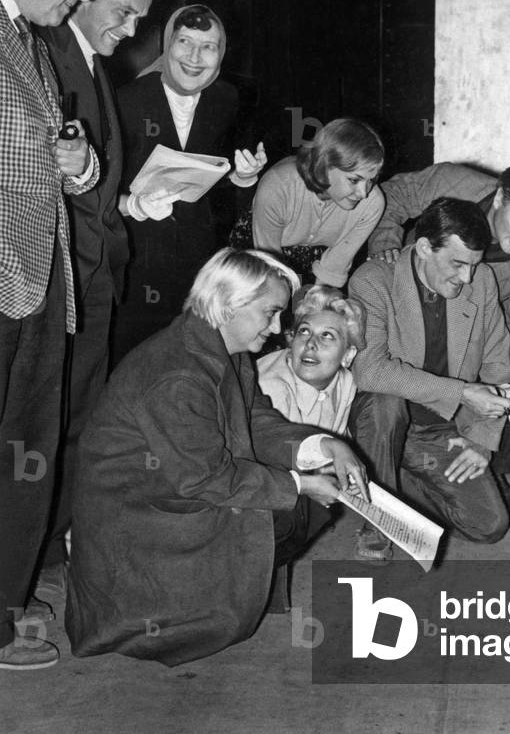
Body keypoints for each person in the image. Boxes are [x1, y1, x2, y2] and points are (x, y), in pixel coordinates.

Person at [65, 248, 368, 667]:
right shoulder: (179, 375)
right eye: (271, 313)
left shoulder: (219, 349)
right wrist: (300, 483)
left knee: (294, 505)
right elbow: (206, 480)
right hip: (144, 519)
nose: (279, 327)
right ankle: (183, 608)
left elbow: (256, 420)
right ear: (229, 305)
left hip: (165, 498)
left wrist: (322, 444)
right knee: (288, 509)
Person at [0, 0, 99, 670]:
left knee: (22, 451)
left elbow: (41, 148)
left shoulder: (27, 41)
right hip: (5, 275)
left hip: (35, 281)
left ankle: (5, 599)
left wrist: (80, 162)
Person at [38, 0, 153, 586]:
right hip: (64, 277)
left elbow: (90, 179)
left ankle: (54, 547)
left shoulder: (88, 63)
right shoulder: (49, 59)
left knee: (80, 416)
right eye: (124, 11)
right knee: (51, 420)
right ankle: (39, 553)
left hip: (96, 274)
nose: (133, 30)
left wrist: (129, 203)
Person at [367, 160, 510, 511]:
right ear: (502, 197)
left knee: (508, 372)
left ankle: (491, 467)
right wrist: (385, 243)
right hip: (411, 300)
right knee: (387, 391)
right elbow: (391, 196)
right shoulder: (451, 181)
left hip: (476, 321)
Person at [349, 197, 510, 561]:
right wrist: (463, 392)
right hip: (380, 421)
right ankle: (378, 522)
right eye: (457, 263)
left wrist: (482, 440)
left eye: (474, 265)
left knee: (489, 524)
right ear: (424, 248)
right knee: (384, 404)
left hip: (441, 429)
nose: (467, 278)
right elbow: (370, 370)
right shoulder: (373, 281)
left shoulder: (481, 281)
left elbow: (498, 365)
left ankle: (387, 478)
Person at [113, 4, 267, 360]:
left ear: (222, 53)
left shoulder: (225, 99)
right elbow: (96, 190)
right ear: (167, 44)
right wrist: (134, 204)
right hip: (136, 261)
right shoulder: (126, 102)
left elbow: (219, 194)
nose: (195, 57)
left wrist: (242, 179)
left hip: (197, 259)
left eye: (208, 46)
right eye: (185, 42)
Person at [252, 117, 385, 288]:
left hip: (318, 263)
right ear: (324, 166)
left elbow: (333, 269)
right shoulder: (278, 186)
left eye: (371, 181)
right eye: (353, 180)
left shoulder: (372, 204)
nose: (363, 193)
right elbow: (267, 266)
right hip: (264, 256)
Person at [258, 284, 367, 433]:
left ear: (347, 355)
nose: (310, 344)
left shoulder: (345, 383)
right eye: (304, 331)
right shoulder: (272, 392)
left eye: (327, 335)